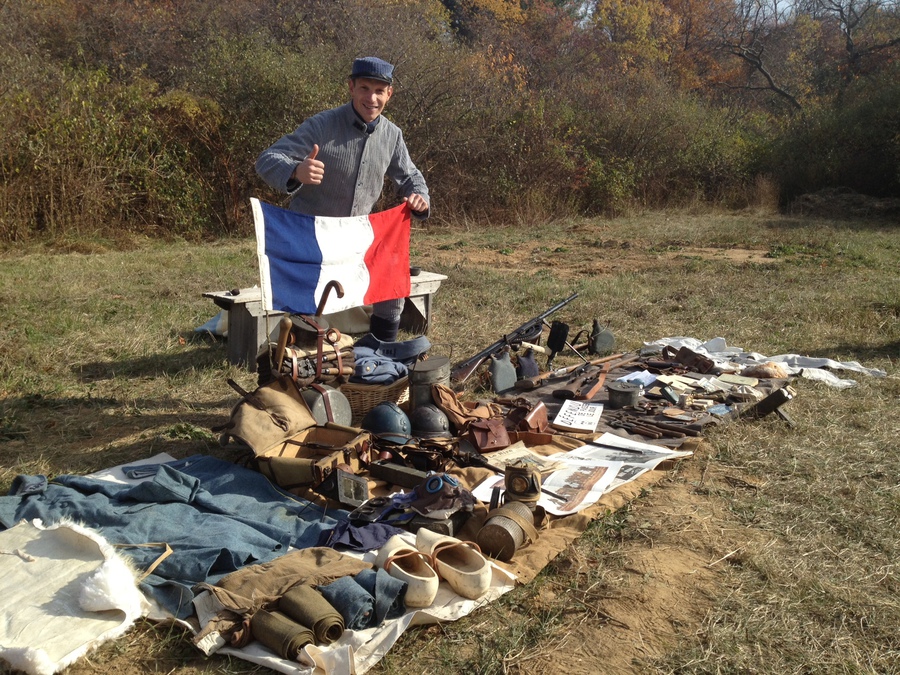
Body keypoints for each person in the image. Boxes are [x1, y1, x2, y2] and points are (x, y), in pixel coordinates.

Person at [255, 56, 430, 342]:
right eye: (364, 88)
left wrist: (419, 196)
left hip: (356, 240)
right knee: (304, 310)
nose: (371, 98)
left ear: (389, 93)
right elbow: (266, 160)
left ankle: (381, 350)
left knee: (392, 269)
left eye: (379, 90)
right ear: (351, 88)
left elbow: (411, 177)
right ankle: (303, 349)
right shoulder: (322, 125)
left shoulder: (393, 135)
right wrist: (296, 171)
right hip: (310, 238)